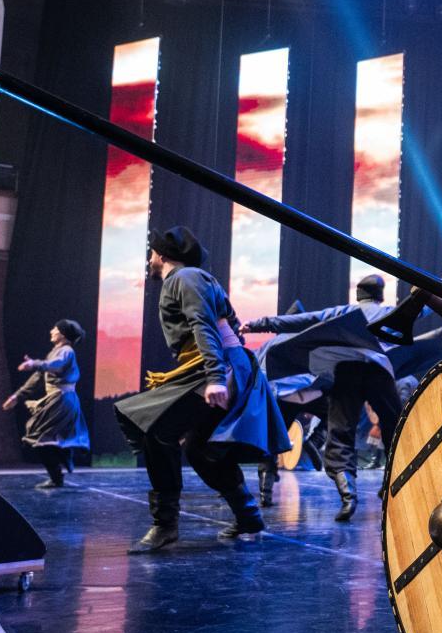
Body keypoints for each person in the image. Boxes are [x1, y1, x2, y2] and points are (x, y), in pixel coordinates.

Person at [114, 227, 289, 553]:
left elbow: (203, 324)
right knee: (199, 448)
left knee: (157, 431)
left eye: (152, 253)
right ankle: (249, 517)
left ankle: (165, 525)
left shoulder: (185, 278)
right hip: (218, 364)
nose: (150, 260)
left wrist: (216, 377)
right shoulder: (194, 278)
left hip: (217, 367)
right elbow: (229, 321)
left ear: (162, 255)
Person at [242, 273, 403, 522]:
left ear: (358, 294)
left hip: (338, 374)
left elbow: (304, 320)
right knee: (396, 429)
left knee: (338, 433)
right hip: (377, 371)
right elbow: (417, 310)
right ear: (380, 296)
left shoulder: (342, 313)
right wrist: (435, 294)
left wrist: (258, 324)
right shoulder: (388, 313)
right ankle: (394, 481)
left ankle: (348, 496)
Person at [3, 319, 91, 490]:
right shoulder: (55, 352)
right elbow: (38, 377)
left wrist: (34, 363)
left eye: (55, 329)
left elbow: (54, 365)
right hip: (56, 400)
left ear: (62, 334)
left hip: (62, 400)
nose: (51, 331)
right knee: (41, 437)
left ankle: (59, 470)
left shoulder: (66, 351)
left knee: (40, 437)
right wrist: (17, 396)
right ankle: (62, 460)